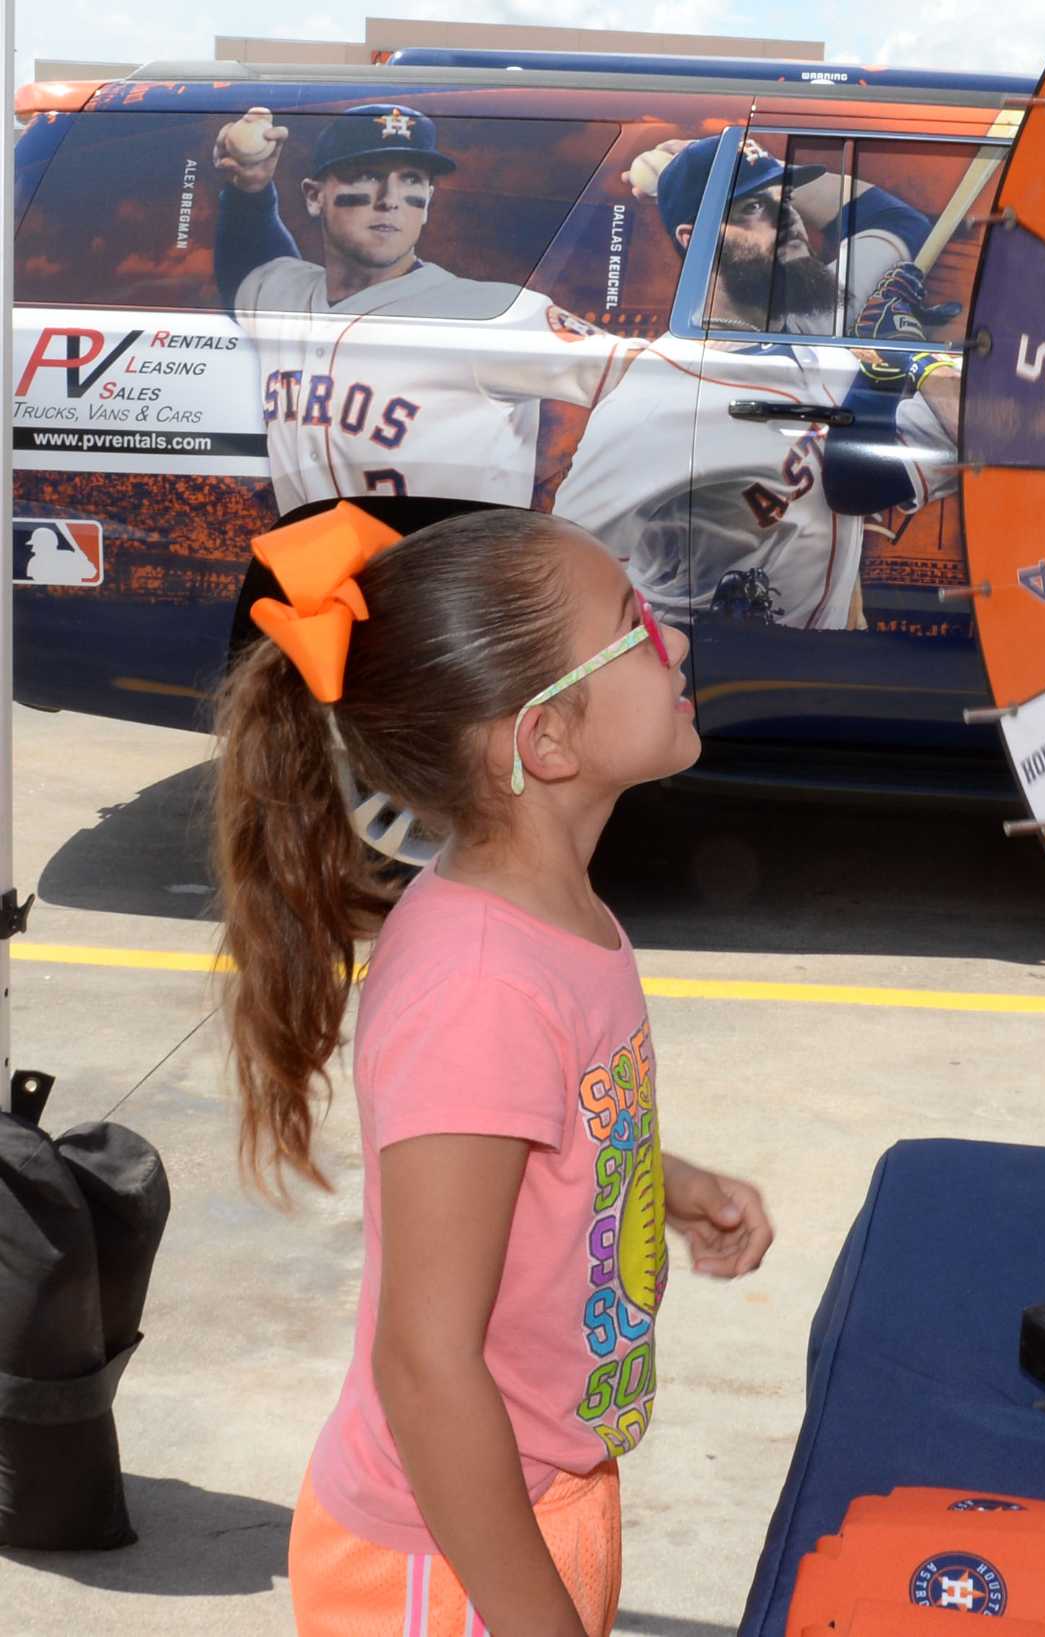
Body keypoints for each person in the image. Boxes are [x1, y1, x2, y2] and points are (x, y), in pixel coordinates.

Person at [211, 500, 773, 1635]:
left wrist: (656, 1174)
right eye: (635, 623)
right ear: (545, 740)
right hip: (454, 1560)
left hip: (530, 1505)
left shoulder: (547, 920)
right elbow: (424, 1363)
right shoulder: (479, 982)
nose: (676, 637)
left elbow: (531, 1125)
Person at [553, 136, 961, 632]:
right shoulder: (652, 405)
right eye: (753, 207)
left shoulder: (829, 321)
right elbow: (557, 579)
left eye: (786, 199)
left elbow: (900, 224)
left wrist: (918, 360)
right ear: (695, 238)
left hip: (820, 676)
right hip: (713, 684)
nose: (789, 217)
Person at [211, 103, 638, 514]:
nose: (390, 199)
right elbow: (248, 261)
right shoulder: (284, 295)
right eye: (366, 175)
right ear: (313, 196)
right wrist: (250, 190)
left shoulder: (491, 311)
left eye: (411, 180)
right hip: (318, 582)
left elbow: (651, 377)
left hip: (449, 584)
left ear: (428, 200)